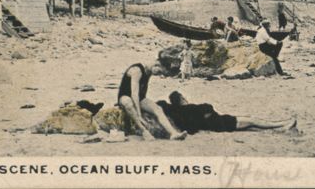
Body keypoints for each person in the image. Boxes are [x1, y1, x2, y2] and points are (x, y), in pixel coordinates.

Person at [152, 91, 296, 136]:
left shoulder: (178, 112)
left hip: (217, 124)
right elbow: (208, 107)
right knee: (251, 120)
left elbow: (161, 104)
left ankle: (280, 128)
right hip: (222, 122)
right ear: (182, 99)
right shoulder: (192, 108)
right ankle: (282, 124)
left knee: (249, 127)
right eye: (183, 97)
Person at [117, 51, 187, 141]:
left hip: (139, 97)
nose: (159, 74)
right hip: (125, 95)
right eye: (159, 71)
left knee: (157, 109)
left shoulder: (149, 71)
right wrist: (139, 114)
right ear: (157, 64)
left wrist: (145, 104)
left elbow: (143, 90)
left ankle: (173, 133)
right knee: (128, 103)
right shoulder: (137, 70)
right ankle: (144, 131)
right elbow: (134, 93)